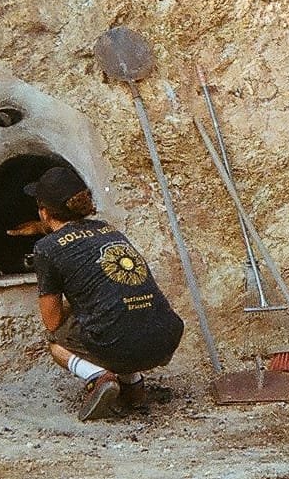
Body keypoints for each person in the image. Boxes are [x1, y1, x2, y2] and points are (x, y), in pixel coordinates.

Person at [21, 164, 185, 421]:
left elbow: (51, 320)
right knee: (114, 312)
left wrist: (76, 302)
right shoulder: (108, 229)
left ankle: (98, 377)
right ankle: (132, 384)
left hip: (118, 343)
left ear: (43, 213)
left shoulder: (47, 248)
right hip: (166, 337)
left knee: (56, 339)